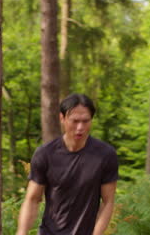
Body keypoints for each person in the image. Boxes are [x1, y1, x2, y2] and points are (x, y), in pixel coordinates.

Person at [16, 93, 119, 235]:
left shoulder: (105, 155)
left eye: (85, 121)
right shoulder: (45, 154)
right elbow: (32, 199)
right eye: (75, 121)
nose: (80, 127)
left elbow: (108, 202)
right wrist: (21, 232)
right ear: (62, 118)